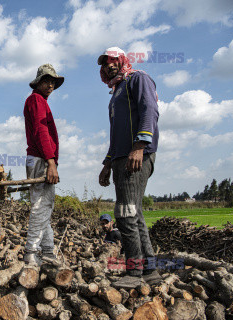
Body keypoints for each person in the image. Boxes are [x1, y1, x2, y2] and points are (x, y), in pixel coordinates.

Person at [97, 47, 161, 287]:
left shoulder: (138, 79)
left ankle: (134, 273)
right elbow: (116, 134)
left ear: (122, 60)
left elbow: (150, 110)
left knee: (123, 213)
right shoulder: (116, 92)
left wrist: (139, 146)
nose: (108, 66)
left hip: (136, 156)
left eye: (113, 61)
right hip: (121, 158)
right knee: (135, 213)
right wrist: (107, 163)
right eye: (104, 64)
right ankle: (150, 270)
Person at [23, 63, 64, 266]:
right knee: (41, 206)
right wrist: (51, 162)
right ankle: (31, 252)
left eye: (53, 82)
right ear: (38, 82)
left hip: (38, 158)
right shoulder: (36, 100)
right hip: (41, 159)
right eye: (46, 81)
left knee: (44, 206)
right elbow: (41, 131)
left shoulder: (37, 101)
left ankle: (47, 251)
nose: (50, 85)